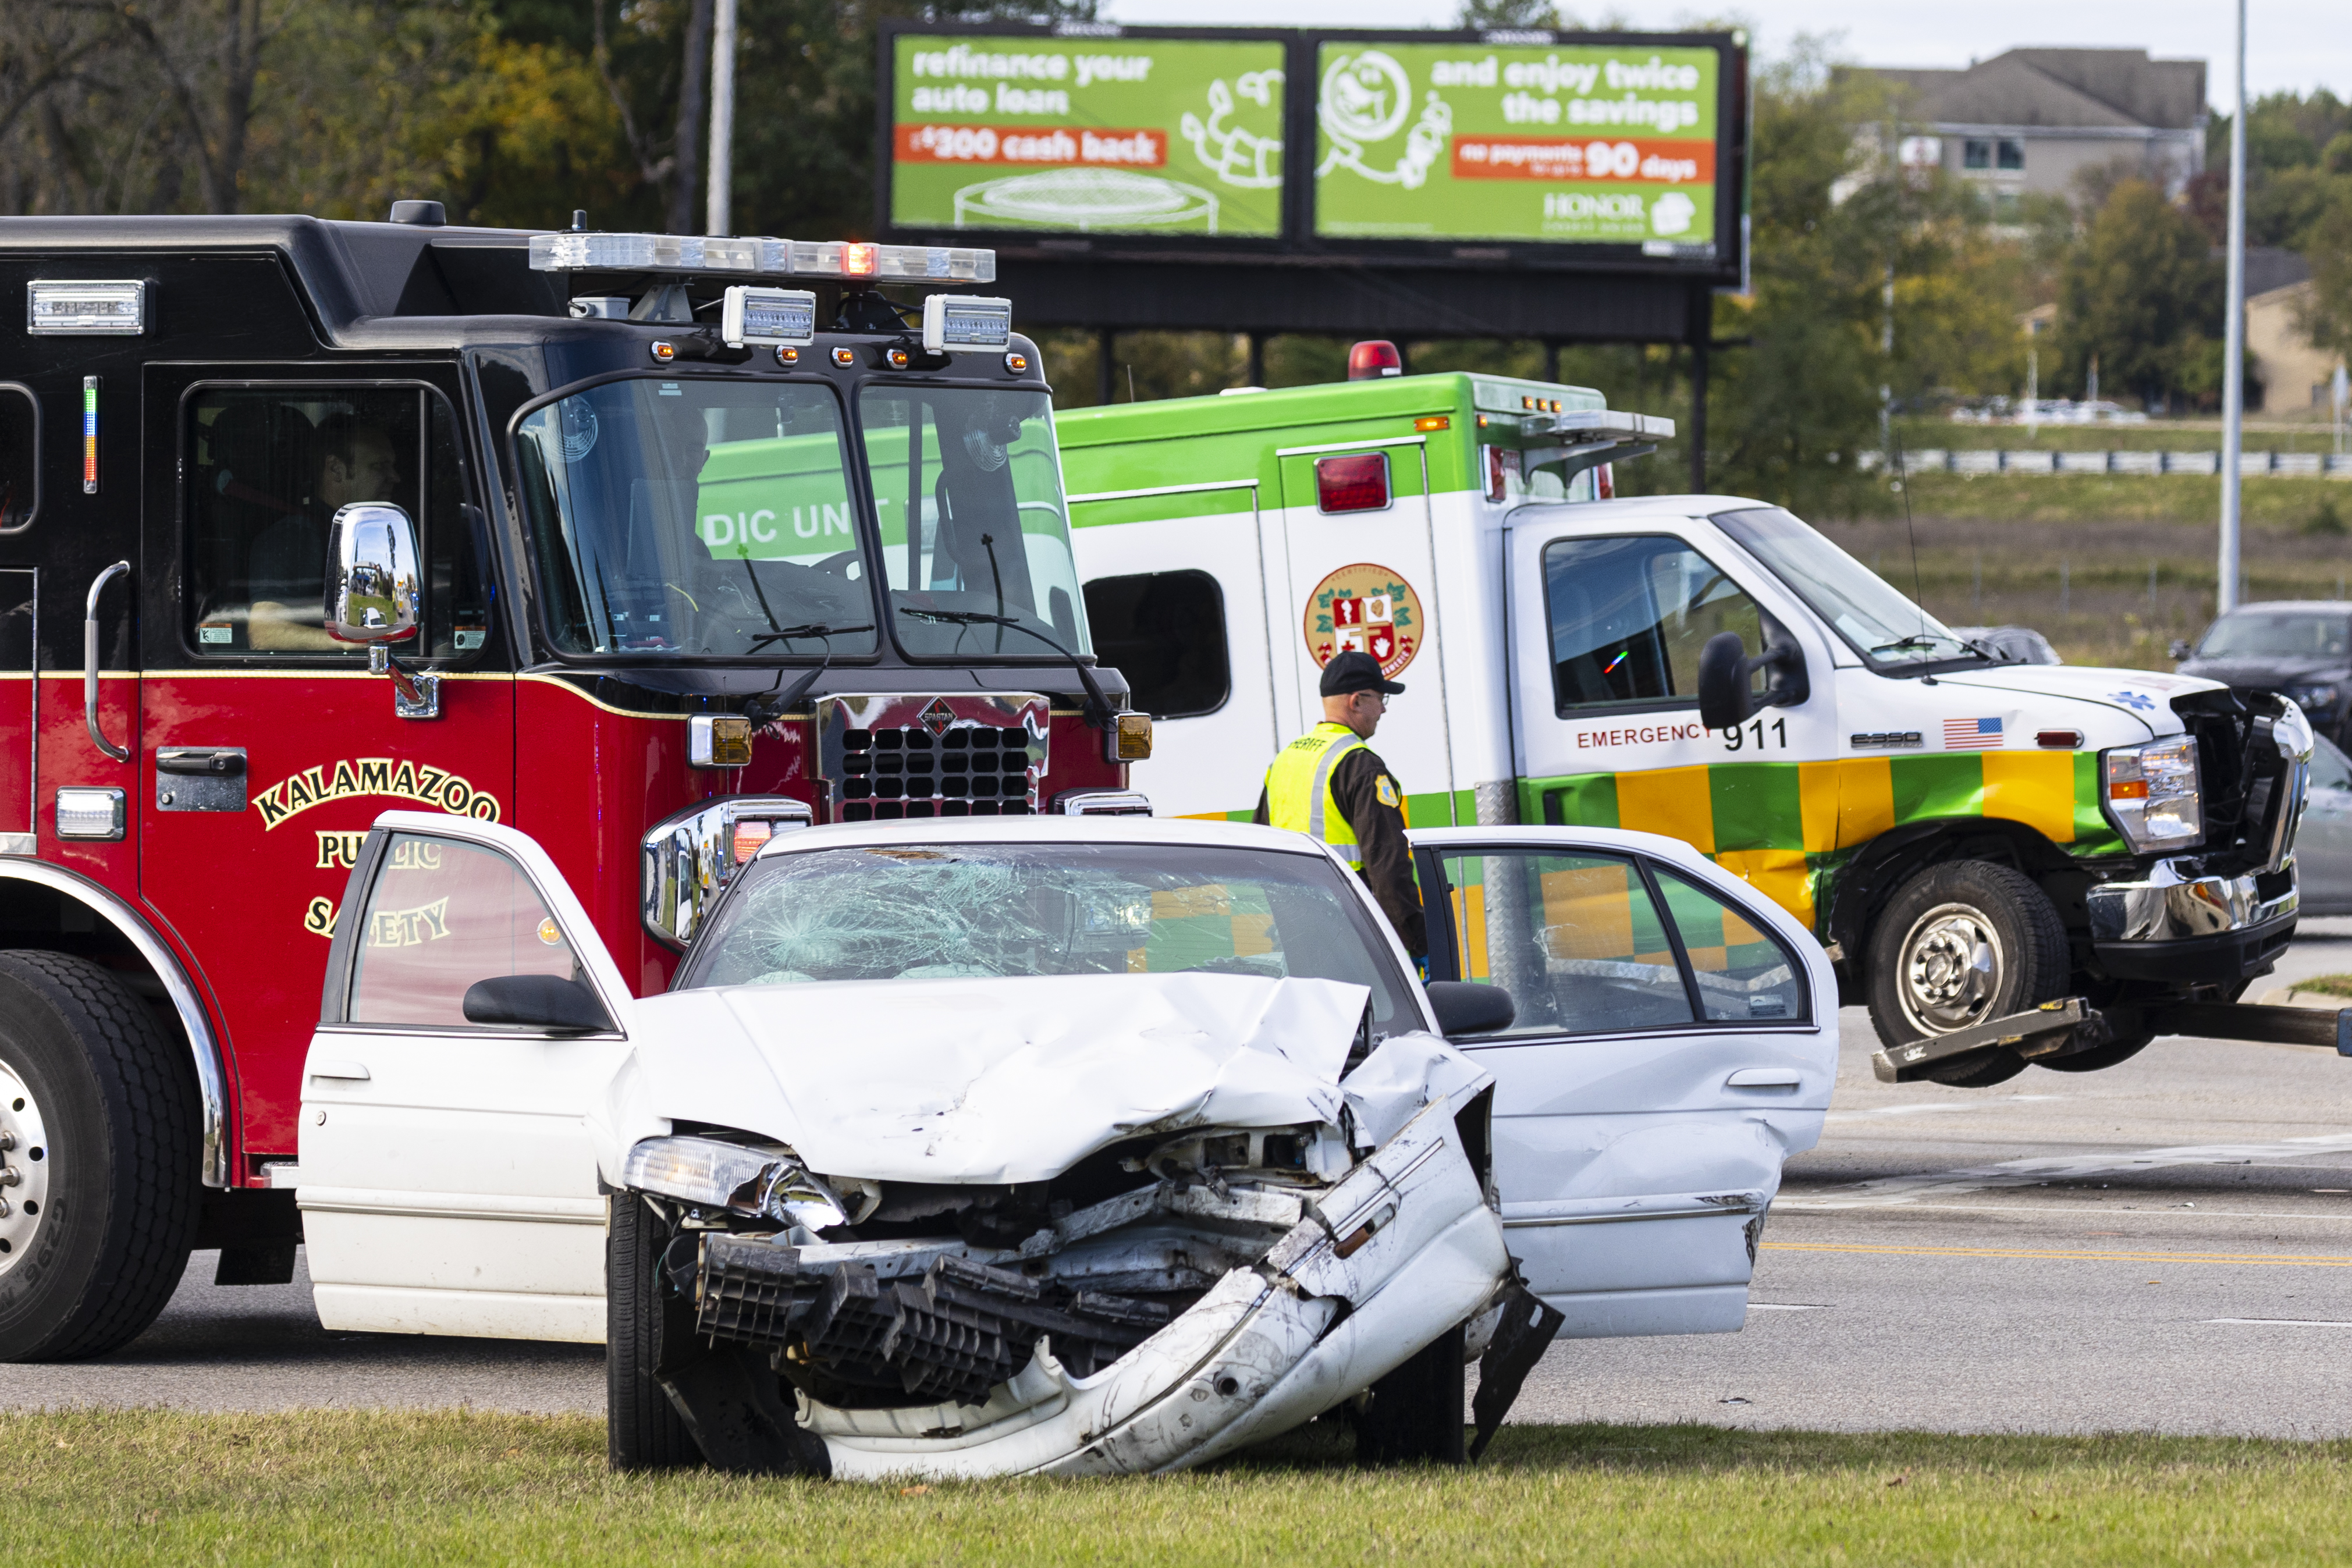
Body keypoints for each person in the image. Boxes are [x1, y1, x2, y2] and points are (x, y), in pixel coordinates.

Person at [1254, 649, 1426, 957]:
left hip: (1295, 929)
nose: (1383, 711)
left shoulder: (1286, 760)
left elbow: (1260, 845)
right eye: (1381, 699)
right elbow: (1387, 865)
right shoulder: (1359, 765)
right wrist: (1413, 942)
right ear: (1357, 701)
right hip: (1350, 930)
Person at [247, 412, 401, 651]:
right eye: (380, 466)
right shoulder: (296, 536)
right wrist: (347, 642)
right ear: (336, 469)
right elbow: (265, 633)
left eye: (392, 465)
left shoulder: (366, 531)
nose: (395, 477)